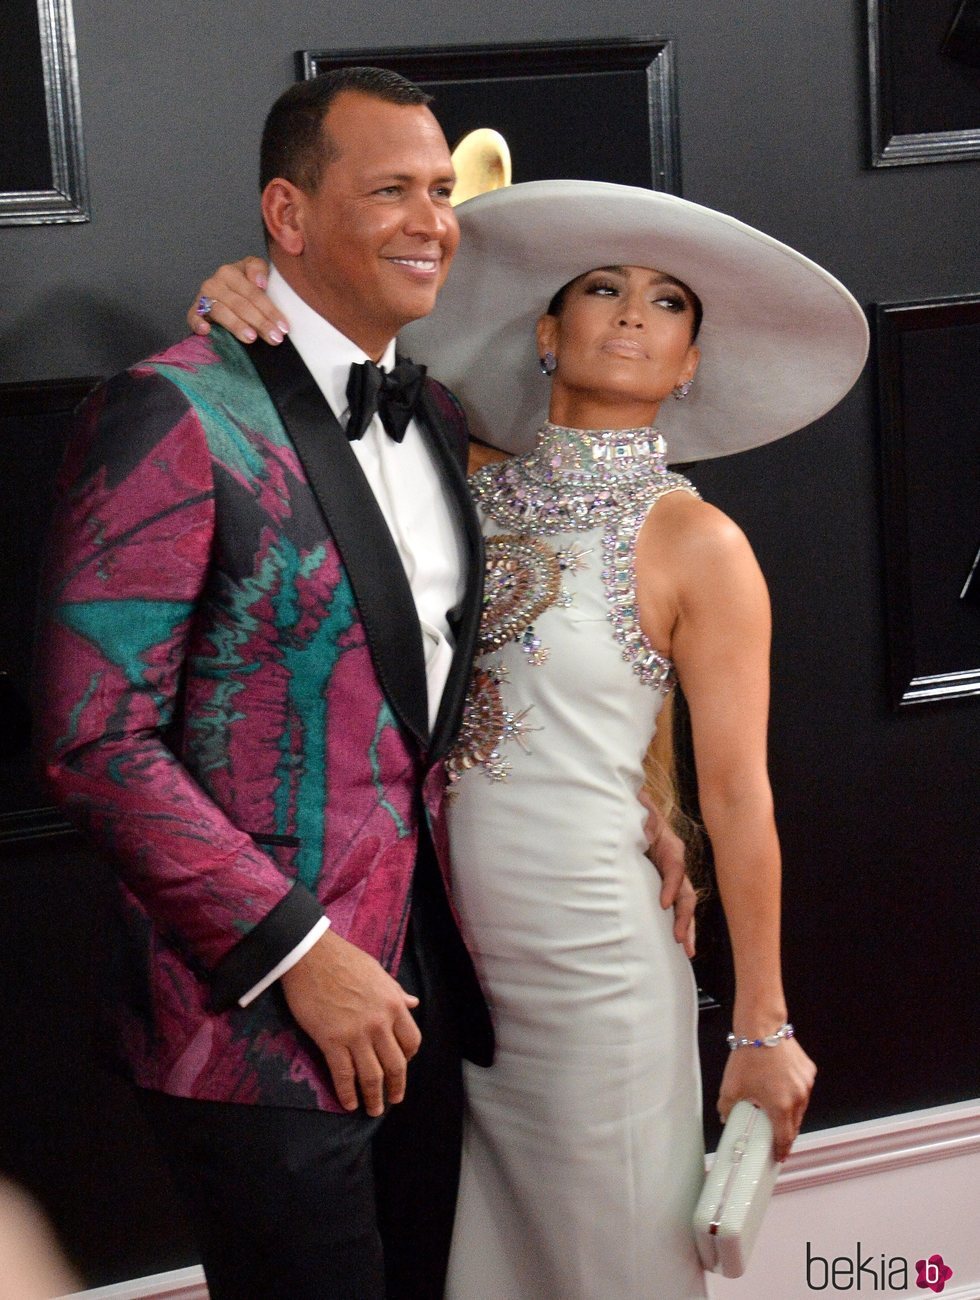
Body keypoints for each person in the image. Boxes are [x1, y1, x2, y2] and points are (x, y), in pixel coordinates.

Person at [189, 176, 868, 1297]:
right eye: (602, 288)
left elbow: (739, 792)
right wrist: (230, 290)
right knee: (479, 1264)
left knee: (608, 1262)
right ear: (547, 332)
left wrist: (759, 1027)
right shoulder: (456, 482)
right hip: (440, 964)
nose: (633, 314)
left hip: (597, 962)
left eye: (667, 304)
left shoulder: (699, 541)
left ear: (691, 361)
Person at [35, 66, 497, 1300]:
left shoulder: (441, 413)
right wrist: (301, 952)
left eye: (441, 190)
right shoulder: (171, 410)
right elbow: (95, 740)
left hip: (424, 1001)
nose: (430, 218)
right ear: (287, 217)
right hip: (250, 1023)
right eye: (390, 187)